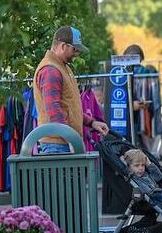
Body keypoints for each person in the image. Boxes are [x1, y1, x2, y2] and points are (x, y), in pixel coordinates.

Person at [33, 26, 108, 154]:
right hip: (57, 145)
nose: (77, 54)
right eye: (75, 49)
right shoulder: (50, 70)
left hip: (63, 141)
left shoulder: (63, 67)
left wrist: (92, 123)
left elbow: (69, 108)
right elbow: (54, 111)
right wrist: (71, 139)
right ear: (63, 46)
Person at [125, 44, 162, 153]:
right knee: (143, 142)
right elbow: (154, 97)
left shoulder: (121, 72)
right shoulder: (147, 72)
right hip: (144, 110)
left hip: (137, 111)